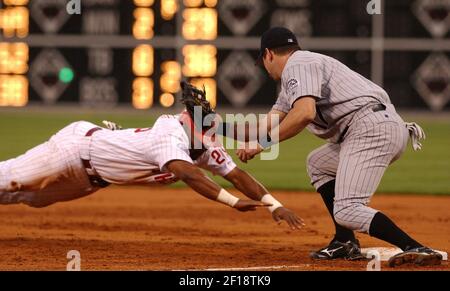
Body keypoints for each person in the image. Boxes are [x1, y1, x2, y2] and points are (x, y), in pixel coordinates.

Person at [231, 27, 440, 267]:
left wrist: (262, 145)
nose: (266, 69)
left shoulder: (299, 63)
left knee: (348, 210)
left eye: (263, 61)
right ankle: (345, 241)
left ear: (268, 54)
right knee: (318, 164)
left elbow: (304, 114)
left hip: (370, 129)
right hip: (373, 127)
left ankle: (415, 247)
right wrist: (213, 124)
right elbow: (262, 126)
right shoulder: (295, 80)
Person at [0, 82, 304, 230]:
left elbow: (237, 175)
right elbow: (187, 174)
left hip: (91, 180)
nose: (212, 131)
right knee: (12, 179)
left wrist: (274, 206)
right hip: (74, 149)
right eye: (205, 124)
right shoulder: (168, 133)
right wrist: (233, 202)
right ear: (191, 123)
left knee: (29, 199)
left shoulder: (204, 144)